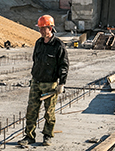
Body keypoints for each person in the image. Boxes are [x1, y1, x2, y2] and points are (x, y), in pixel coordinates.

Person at [18, 15, 69, 147]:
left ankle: (47, 136)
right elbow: (35, 60)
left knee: (49, 112)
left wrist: (61, 83)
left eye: (43, 28)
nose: (40, 31)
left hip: (50, 83)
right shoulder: (39, 43)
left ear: (50, 28)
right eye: (39, 28)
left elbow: (64, 65)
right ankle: (29, 136)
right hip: (36, 81)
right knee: (31, 111)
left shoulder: (58, 45)